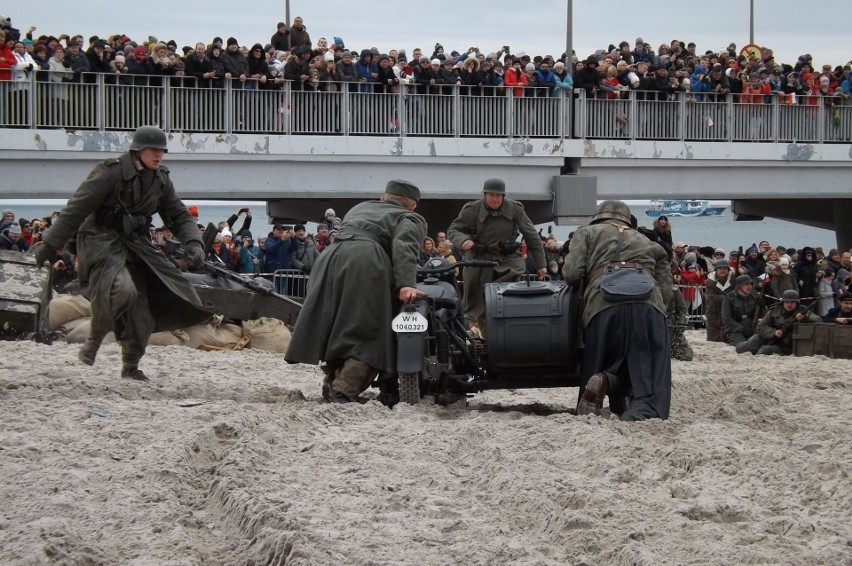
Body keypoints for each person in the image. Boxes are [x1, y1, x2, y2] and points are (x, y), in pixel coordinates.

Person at [34, 125, 209, 380]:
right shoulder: (110, 172)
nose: (158, 155)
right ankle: (94, 338)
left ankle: (130, 366)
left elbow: (178, 215)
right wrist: (51, 245)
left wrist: (194, 243)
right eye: (153, 149)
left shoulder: (160, 179)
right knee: (122, 289)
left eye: (162, 150)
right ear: (138, 150)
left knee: (142, 314)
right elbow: (77, 208)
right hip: (100, 240)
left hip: (135, 245)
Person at [285, 180, 427, 404]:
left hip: (330, 258)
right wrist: (406, 283)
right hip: (366, 261)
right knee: (369, 328)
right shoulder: (410, 218)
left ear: (384, 198)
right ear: (413, 206)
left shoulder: (359, 208)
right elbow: (404, 245)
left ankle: (333, 381)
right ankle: (343, 390)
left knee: (336, 323)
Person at [562, 200, 673, 421]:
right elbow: (666, 290)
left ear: (598, 217)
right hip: (647, 304)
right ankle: (641, 411)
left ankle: (602, 379)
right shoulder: (648, 241)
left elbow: (572, 273)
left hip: (603, 305)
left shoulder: (586, 233)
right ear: (627, 219)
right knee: (648, 367)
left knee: (603, 357)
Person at [447, 178, 545, 335]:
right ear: (484, 195)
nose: (495, 199)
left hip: (508, 258)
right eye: (491, 195)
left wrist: (541, 265)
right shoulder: (472, 210)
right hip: (480, 258)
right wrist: (464, 241)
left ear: (503, 196)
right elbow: (453, 230)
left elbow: (532, 235)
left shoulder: (515, 209)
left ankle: (516, 328)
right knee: (477, 296)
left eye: (498, 195)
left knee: (515, 286)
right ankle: (483, 334)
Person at [739, 289, 822, 356]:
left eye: (792, 302)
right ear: (783, 302)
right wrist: (774, 332)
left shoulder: (802, 311)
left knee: (765, 351)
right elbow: (761, 327)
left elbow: (818, 319)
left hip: (785, 344)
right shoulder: (774, 311)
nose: (789, 304)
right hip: (769, 337)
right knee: (746, 348)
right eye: (787, 302)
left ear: (797, 303)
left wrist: (805, 317)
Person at [723, 274, 765, 352]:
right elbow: (727, 318)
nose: (749, 287)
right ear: (739, 286)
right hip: (735, 330)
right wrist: (741, 328)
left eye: (750, 284)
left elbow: (764, 315)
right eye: (746, 284)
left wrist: (762, 306)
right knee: (743, 347)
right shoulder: (729, 298)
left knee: (761, 343)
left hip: (752, 327)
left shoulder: (755, 296)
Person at [704, 258, 734, 342]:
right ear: (716, 270)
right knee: (713, 339)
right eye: (720, 268)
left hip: (729, 311)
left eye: (724, 268)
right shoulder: (709, 282)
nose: (722, 270)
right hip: (714, 312)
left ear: (728, 270)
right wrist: (728, 298)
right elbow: (712, 298)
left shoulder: (733, 279)